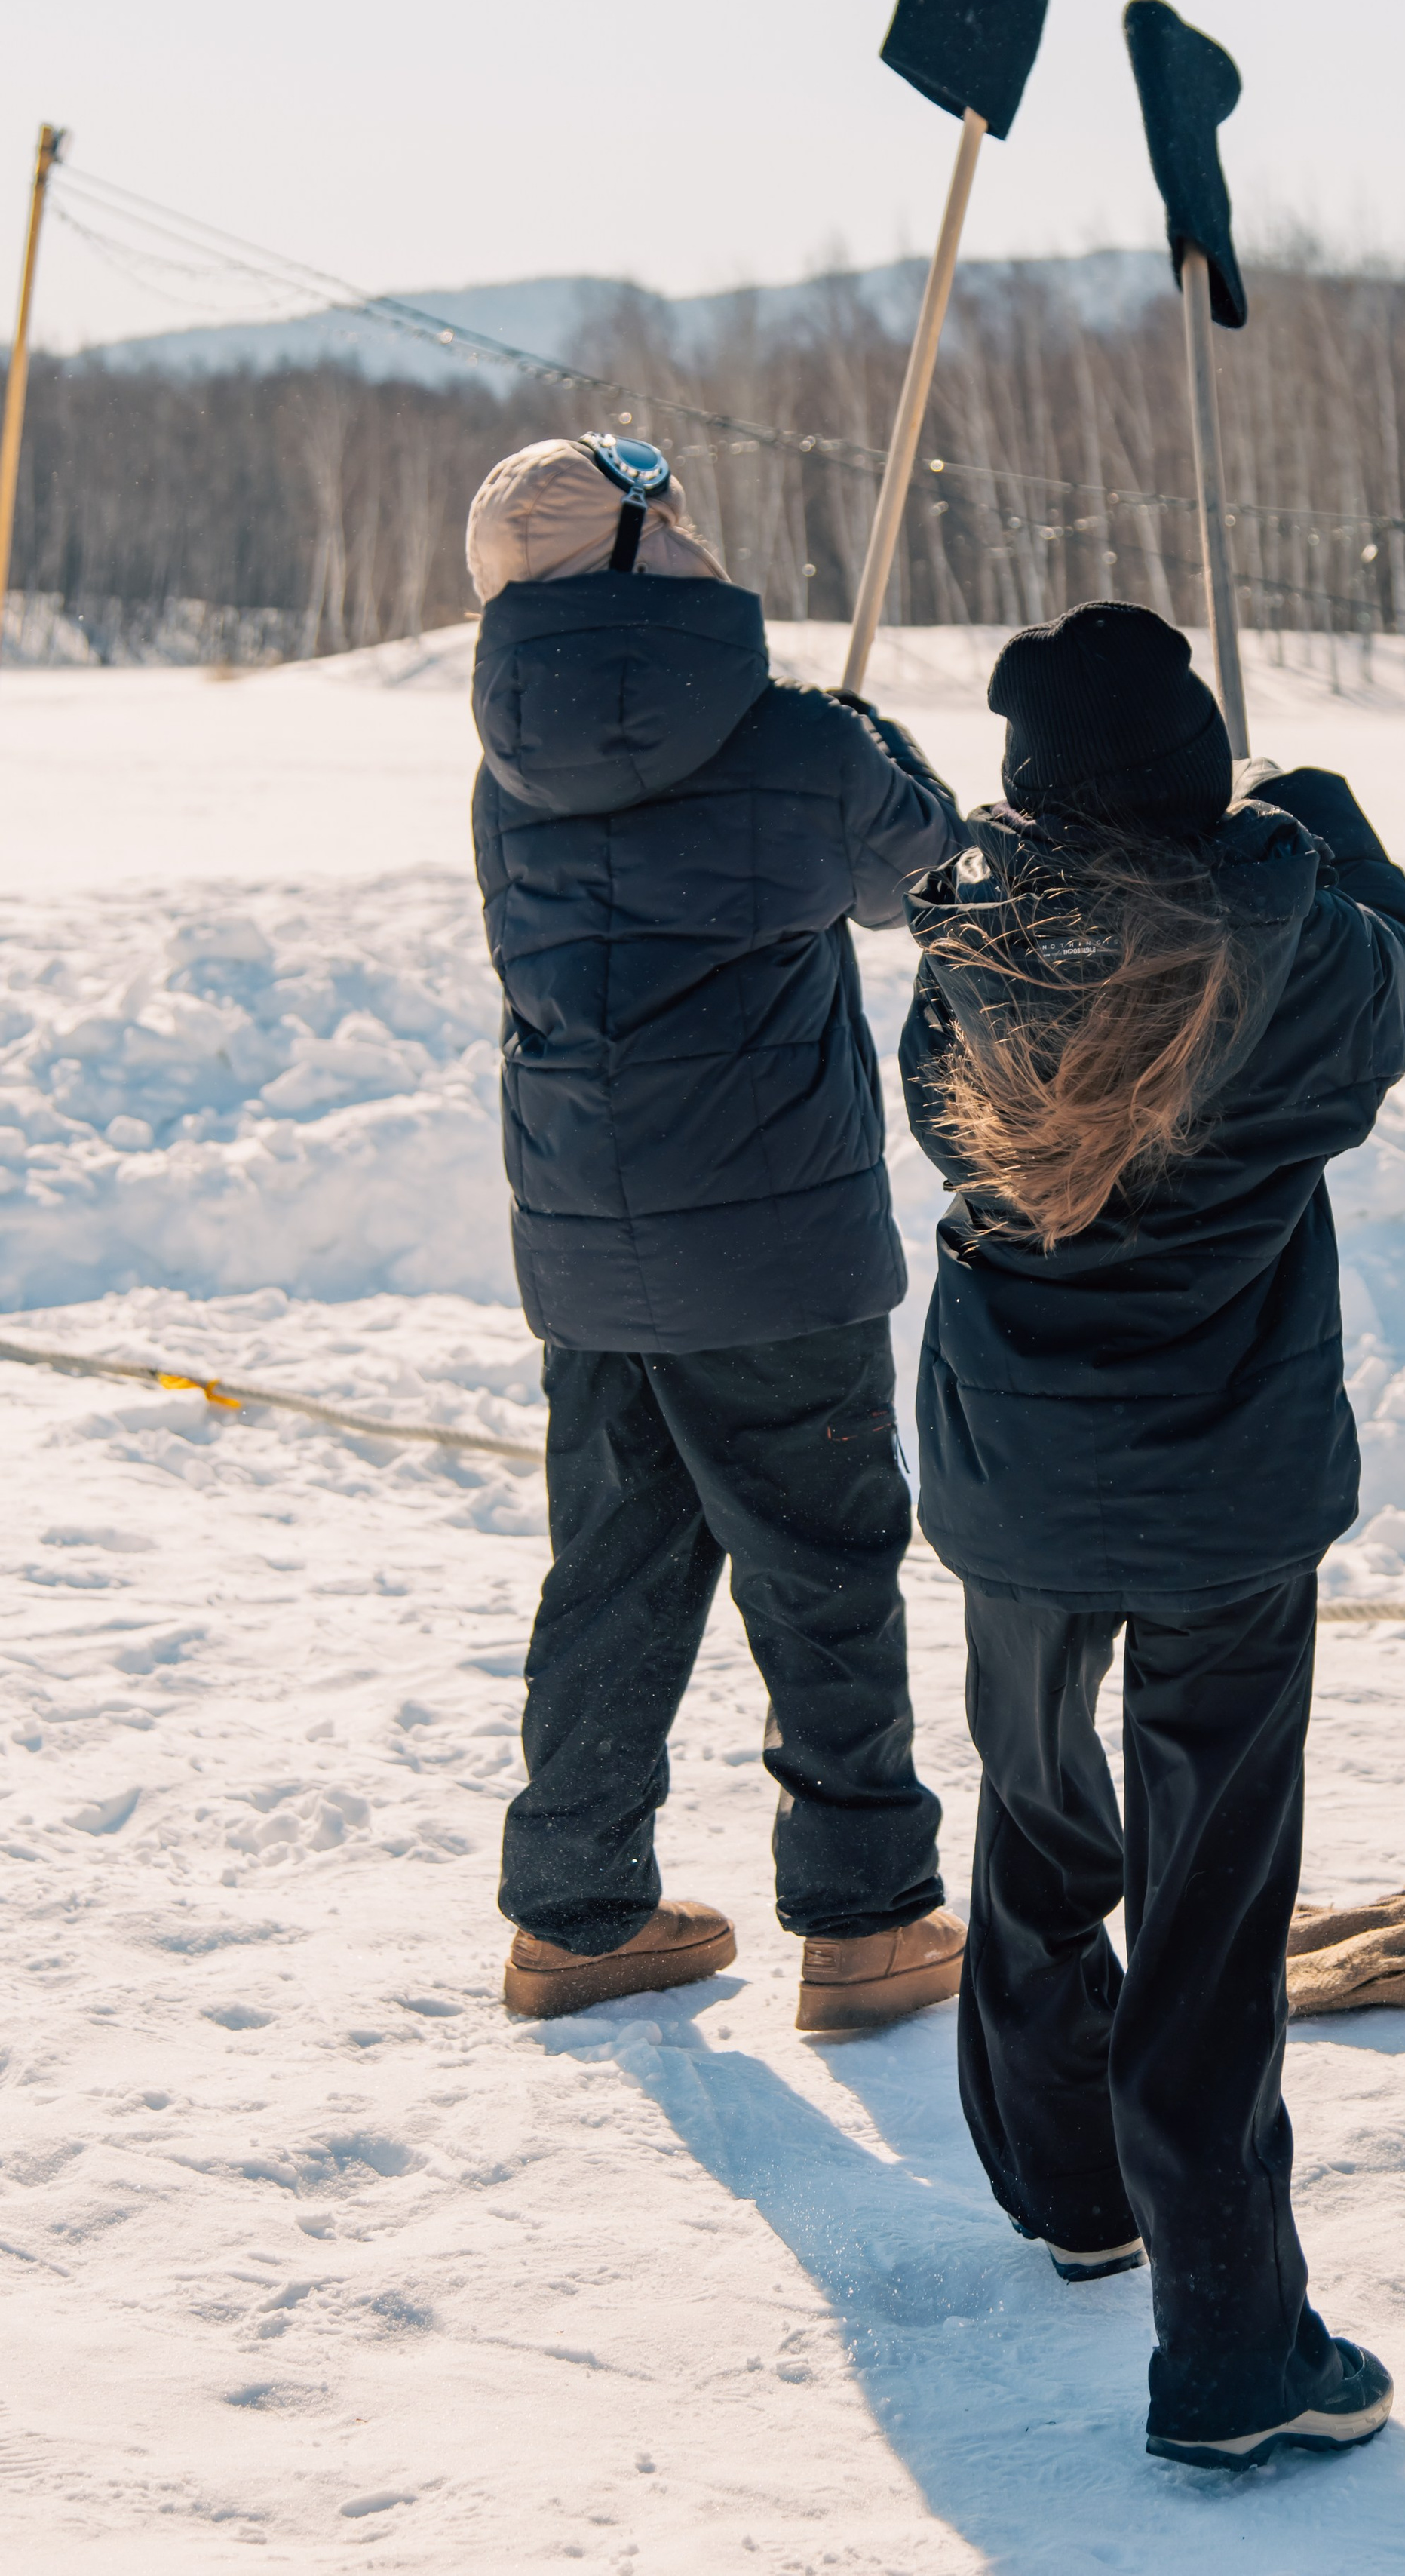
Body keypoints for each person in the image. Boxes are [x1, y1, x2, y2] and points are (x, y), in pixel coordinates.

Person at [897, 600, 1405, 2470]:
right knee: (1207, 1908)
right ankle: (1226, 2354)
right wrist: (1319, 821)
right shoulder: (1298, 960)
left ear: (1031, 799)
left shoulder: (964, 950)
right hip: (1222, 1496)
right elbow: (1402, 980)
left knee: (1041, 1823)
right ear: (1200, 784)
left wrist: (1239, 846)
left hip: (1015, 1484)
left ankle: (1067, 2191)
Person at [468, 431, 968, 2032]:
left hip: (585, 1240)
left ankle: (575, 1908)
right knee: (821, 1568)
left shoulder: (505, 768)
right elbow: (931, 874)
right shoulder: (797, 743)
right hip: (770, 1247)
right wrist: (864, 735)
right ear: (650, 546)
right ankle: (866, 1916)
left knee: (613, 1563)